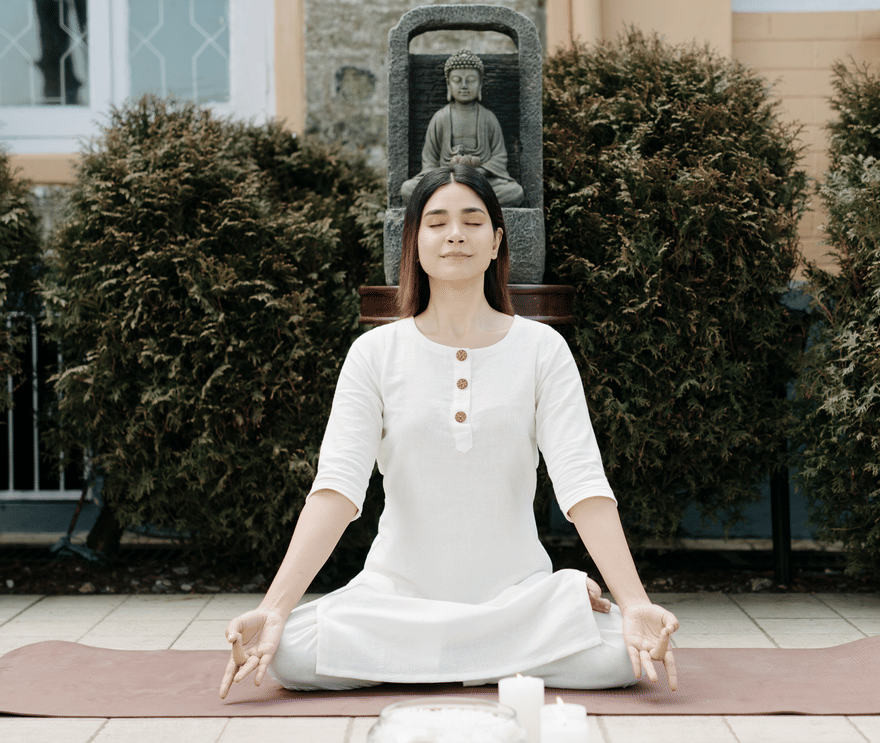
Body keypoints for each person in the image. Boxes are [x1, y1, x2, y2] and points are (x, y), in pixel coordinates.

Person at [219, 164, 678, 700]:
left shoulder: (541, 349)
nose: (455, 233)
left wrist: (636, 601)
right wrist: (273, 608)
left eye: (472, 220)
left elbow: (583, 484)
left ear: (496, 241)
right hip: (397, 600)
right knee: (292, 655)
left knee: (623, 655)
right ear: (414, 243)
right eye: (436, 222)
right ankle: (499, 657)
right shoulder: (375, 353)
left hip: (514, 599)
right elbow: (337, 489)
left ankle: (446, 656)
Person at [400, 49, 525, 207]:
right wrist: (449, 173)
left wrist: (479, 172)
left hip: (481, 183)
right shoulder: (440, 118)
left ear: (480, 84)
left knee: (515, 192)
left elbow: (499, 158)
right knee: (407, 189)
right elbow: (430, 162)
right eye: (457, 80)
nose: (464, 86)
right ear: (448, 84)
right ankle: (474, 205)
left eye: (471, 80)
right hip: (445, 183)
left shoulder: (488, 118)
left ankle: (449, 205)